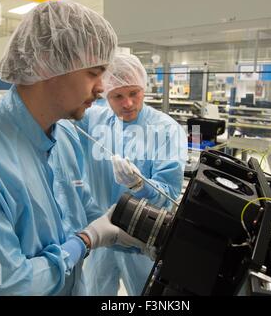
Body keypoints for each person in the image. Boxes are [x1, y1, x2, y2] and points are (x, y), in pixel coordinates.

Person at [0, 1, 147, 296]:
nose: (102, 88)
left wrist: (131, 230)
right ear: (47, 64)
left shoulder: (65, 134)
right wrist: (84, 241)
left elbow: (83, 210)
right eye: (94, 73)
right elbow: (2, 287)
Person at [75, 52, 188, 295]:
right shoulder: (93, 121)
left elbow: (168, 195)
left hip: (141, 242)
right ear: (105, 94)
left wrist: (140, 185)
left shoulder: (166, 130)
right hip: (101, 236)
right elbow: (62, 115)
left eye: (134, 93)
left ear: (143, 89)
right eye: (117, 96)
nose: (127, 103)